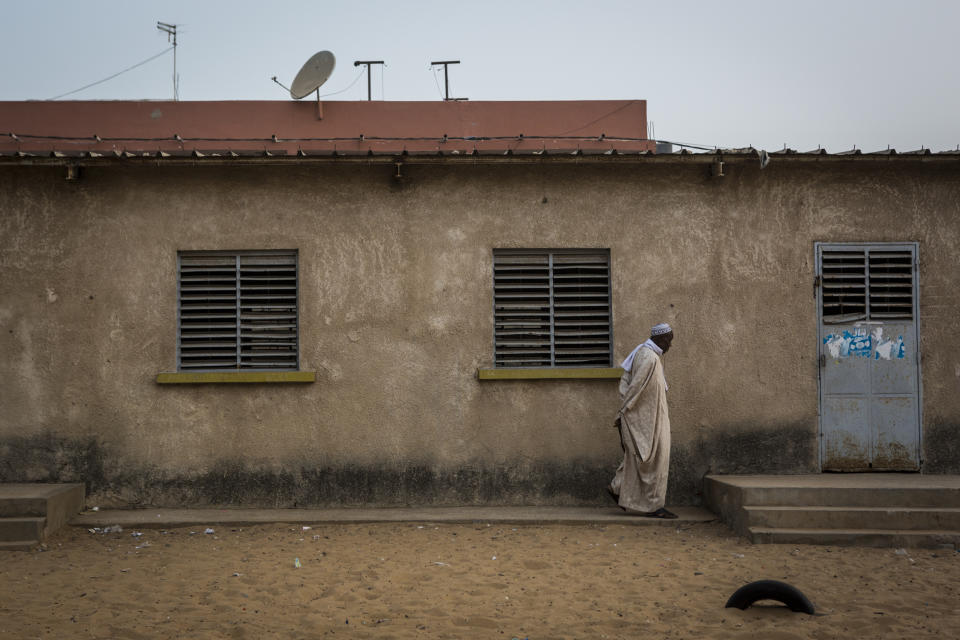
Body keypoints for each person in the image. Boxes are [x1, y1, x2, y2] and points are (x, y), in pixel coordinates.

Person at [608, 323, 676, 518]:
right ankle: (654, 506)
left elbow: (627, 382)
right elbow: (634, 388)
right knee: (654, 459)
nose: (669, 346)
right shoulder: (649, 357)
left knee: (638, 458)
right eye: (669, 341)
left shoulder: (645, 354)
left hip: (653, 417)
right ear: (661, 339)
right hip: (648, 420)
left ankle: (618, 488)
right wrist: (623, 414)